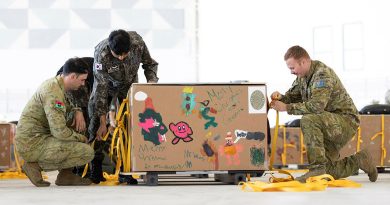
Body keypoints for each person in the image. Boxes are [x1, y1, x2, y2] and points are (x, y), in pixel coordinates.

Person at [270, 45, 378, 183]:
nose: (291, 72)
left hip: (345, 121)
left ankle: (316, 169)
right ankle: (360, 160)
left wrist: (286, 108)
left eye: (292, 68)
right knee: (327, 172)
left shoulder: (322, 74)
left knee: (309, 119)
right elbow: (291, 97)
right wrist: (279, 99)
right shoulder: (302, 77)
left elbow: (316, 106)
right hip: (327, 124)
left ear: (303, 62)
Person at [88, 29, 159, 184]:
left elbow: (150, 64)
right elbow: (100, 87)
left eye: (124, 54)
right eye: (117, 55)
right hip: (106, 87)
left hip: (129, 87)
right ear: (110, 49)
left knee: (130, 126)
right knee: (96, 125)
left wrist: (151, 83)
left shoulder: (138, 43)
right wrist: (102, 121)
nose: (121, 58)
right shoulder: (101, 53)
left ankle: (126, 170)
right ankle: (96, 167)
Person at [15, 58, 95, 187]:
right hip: (32, 143)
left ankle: (65, 176)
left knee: (77, 125)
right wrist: (80, 138)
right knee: (87, 152)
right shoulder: (52, 92)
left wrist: (76, 110)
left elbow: (65, 111)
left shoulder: (58, 85)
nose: (83, 84)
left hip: (40, 137)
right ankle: (34, 166)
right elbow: (59, 131)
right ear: (73, 76)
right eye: (82, 80)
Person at [56, 57, 94, 176]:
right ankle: (70, 171)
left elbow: (99, 98)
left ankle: (85, 169)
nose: (83, 82)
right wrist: (77, 109)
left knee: (91, 129)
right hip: (73, 101)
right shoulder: (61, 80)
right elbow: (65, 93)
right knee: (78, 126)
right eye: (82, 80)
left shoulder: (97, 77)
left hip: (89, 98)